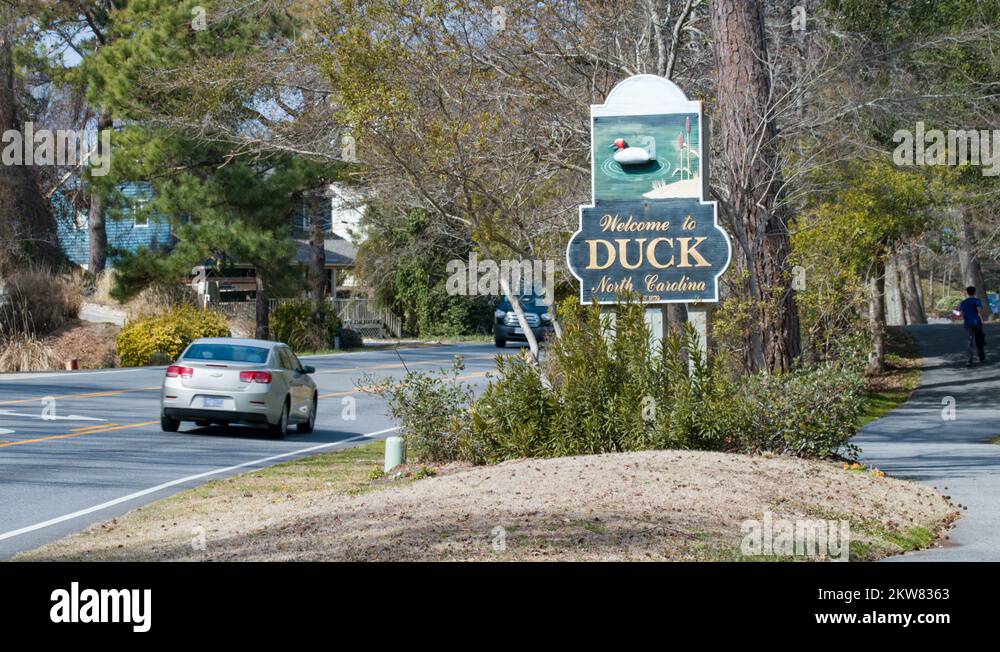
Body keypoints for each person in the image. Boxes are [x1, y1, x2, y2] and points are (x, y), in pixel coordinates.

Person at [959, 286, 987, 365]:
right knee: (979, 339)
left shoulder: (963, 302)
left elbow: (962, 314)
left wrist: (965, 318)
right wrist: (982, 319)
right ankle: (981, 356)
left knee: (969, 341)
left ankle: (969, 359)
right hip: (976, 322)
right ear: (974, 292)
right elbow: (979, 310)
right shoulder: (977, 300)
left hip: (968, 323)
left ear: (967, 293)